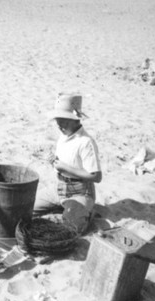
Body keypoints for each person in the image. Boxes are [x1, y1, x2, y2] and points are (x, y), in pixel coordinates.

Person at [33, 93, 102, 233]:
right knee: (26, 209)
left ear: (75, 120)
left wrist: (65, 167)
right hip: (59, 187)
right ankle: (66, 207)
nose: (59, 125)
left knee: (70, 229)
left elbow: (96, 176)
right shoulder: (64, 135)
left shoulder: (85, 142)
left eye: (63, 121)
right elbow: (65, 161)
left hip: (80, 192)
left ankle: (85, 213)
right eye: (57, 120)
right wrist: (53, 160)